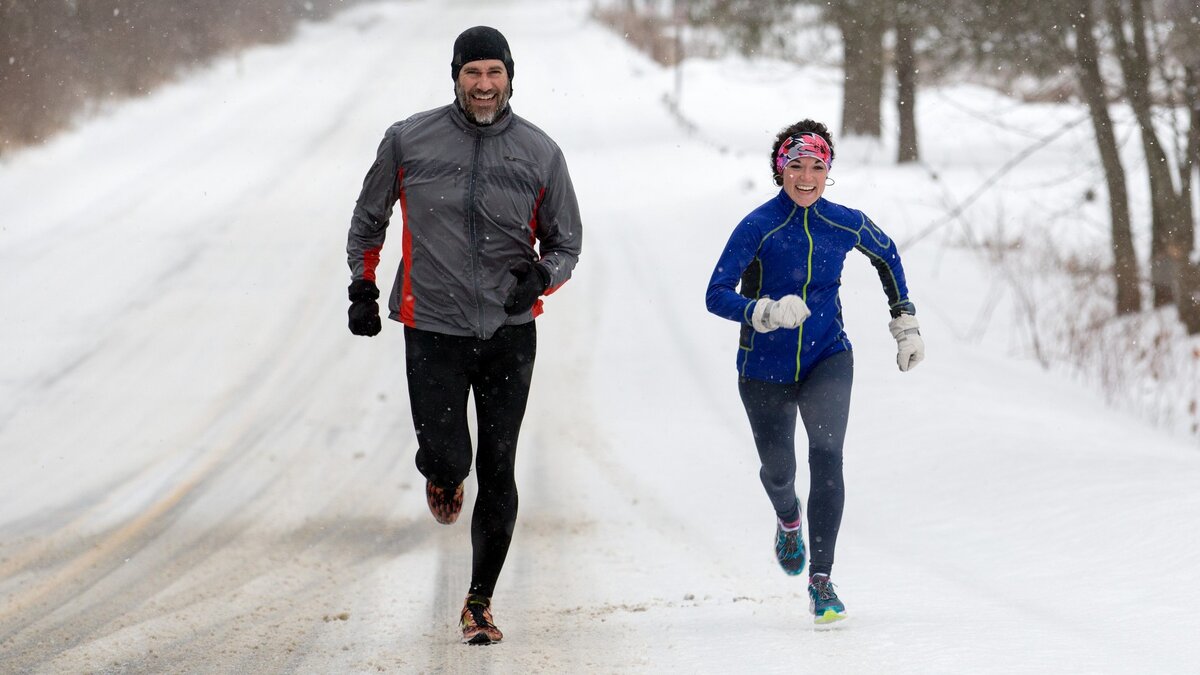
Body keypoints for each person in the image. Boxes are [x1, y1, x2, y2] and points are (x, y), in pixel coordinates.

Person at [345, 25, 582, 645]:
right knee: (453, 455)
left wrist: (541, 279)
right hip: (433, 327)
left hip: (508, 329)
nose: (483, 85)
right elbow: (370, 217)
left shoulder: (540, 152)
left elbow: (566, 244)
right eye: (472, 73)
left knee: (500, 465)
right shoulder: (408, 140)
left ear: (509, 77)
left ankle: (479, 602)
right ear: (455, 76)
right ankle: (443, 474)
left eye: (493, 73)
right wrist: (363, 286)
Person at [704, 119, 924, 626]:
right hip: (762, 366)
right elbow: (716, 293)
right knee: (780, 471)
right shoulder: (758, 226)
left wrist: (904, 320)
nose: (807, 177)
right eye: (796, 166)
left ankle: (821, 581)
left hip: (829, 356)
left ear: (829, 172)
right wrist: (764, 311)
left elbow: (886, 254)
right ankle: (787, 518)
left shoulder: (843, 222)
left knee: (828, 457)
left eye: (818, 167)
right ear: (780, 170)